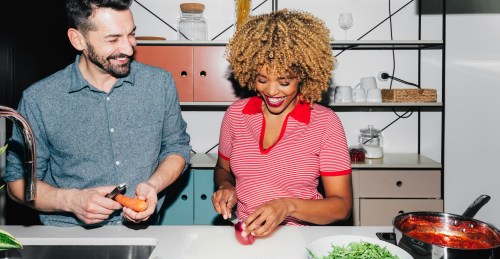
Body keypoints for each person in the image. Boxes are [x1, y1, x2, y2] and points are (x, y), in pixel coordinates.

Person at [4, 0, 191, 227]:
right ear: (78, 40)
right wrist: (72, 201)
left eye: (131, 34)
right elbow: (18, 183)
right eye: (113, 39)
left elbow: (176, 147)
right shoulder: (39, 99)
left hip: (142, 232)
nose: (129, 48)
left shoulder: (159, 83)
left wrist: (154, 185)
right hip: (67, 238)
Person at [212, 9, 352, 238]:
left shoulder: (325, 122)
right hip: (245, 234)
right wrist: (225, 187)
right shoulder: (236, 115)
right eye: (262, 80)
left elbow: (342, 206)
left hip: (301, 238)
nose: (272, 91)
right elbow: (222, 169)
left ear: (303, 76)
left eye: (285, 82)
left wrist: (287, 207)